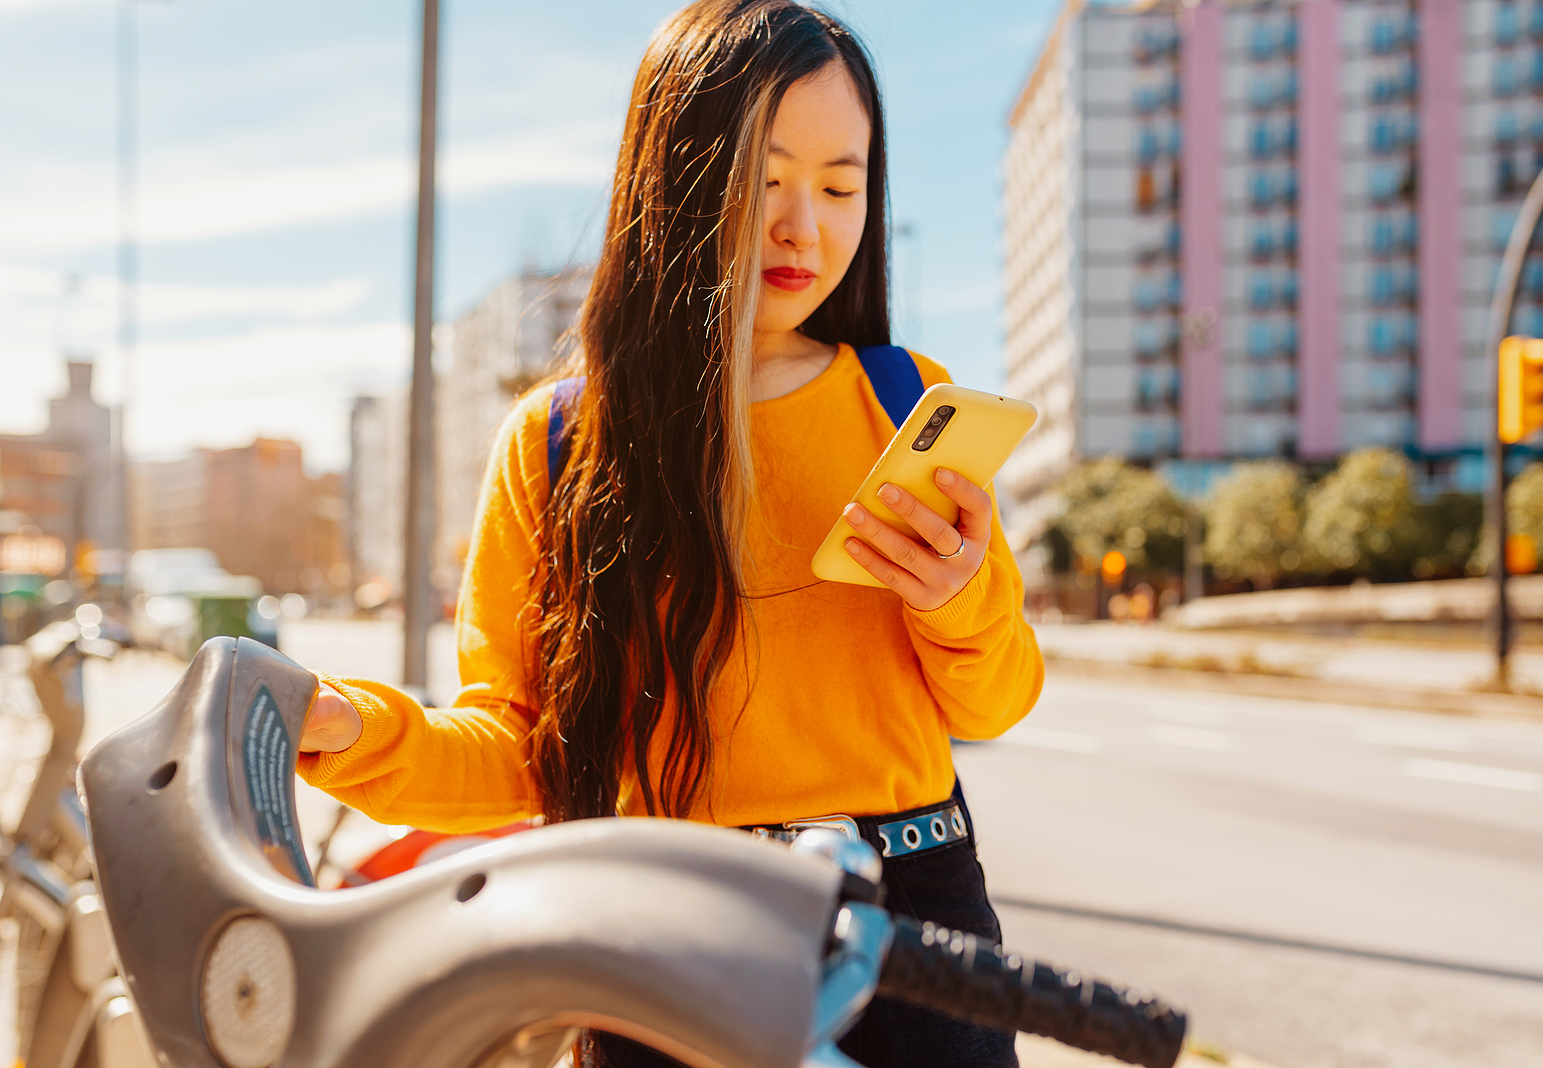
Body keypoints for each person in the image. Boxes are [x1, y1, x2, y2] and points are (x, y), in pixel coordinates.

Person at [296, 2, 1043, 1065]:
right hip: (666, 924)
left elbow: (996, 698)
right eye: (764, 178)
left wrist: (951, 594)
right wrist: (340, 727)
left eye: (841, 185)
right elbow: (519, 749)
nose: (805, 226)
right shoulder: (558, 442)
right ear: (675, 175)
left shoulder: (903, 402)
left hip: (911, 909)